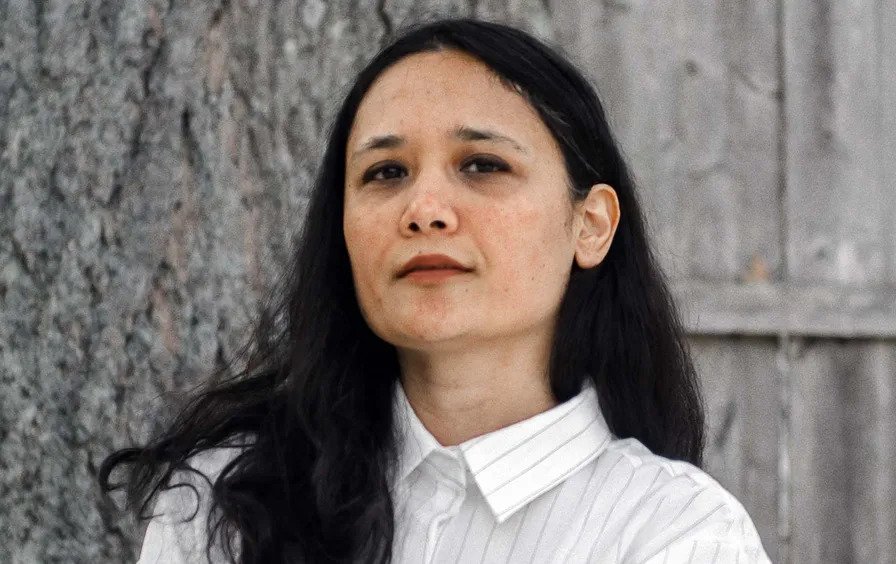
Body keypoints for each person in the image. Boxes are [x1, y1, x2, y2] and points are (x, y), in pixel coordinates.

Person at [98, 17, 772, 564]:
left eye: (482, 165)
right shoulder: (225, 502)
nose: (424, 210)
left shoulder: (675, 533)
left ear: (590, 225)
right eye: (386, 172)